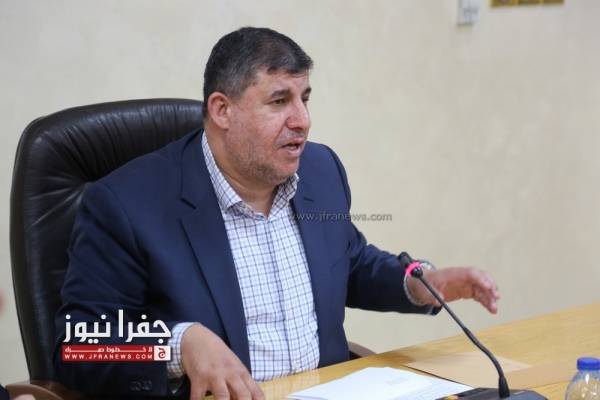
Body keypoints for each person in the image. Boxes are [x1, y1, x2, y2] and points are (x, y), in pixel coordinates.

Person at [55, 27, 499, 399]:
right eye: (279, 101)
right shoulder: (125, 204)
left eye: (305, 98)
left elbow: (347, 262)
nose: (302, 120)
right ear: (222, 110)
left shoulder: (320, 170)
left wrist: (417, 284)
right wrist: (178, 344)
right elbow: (78, 346)